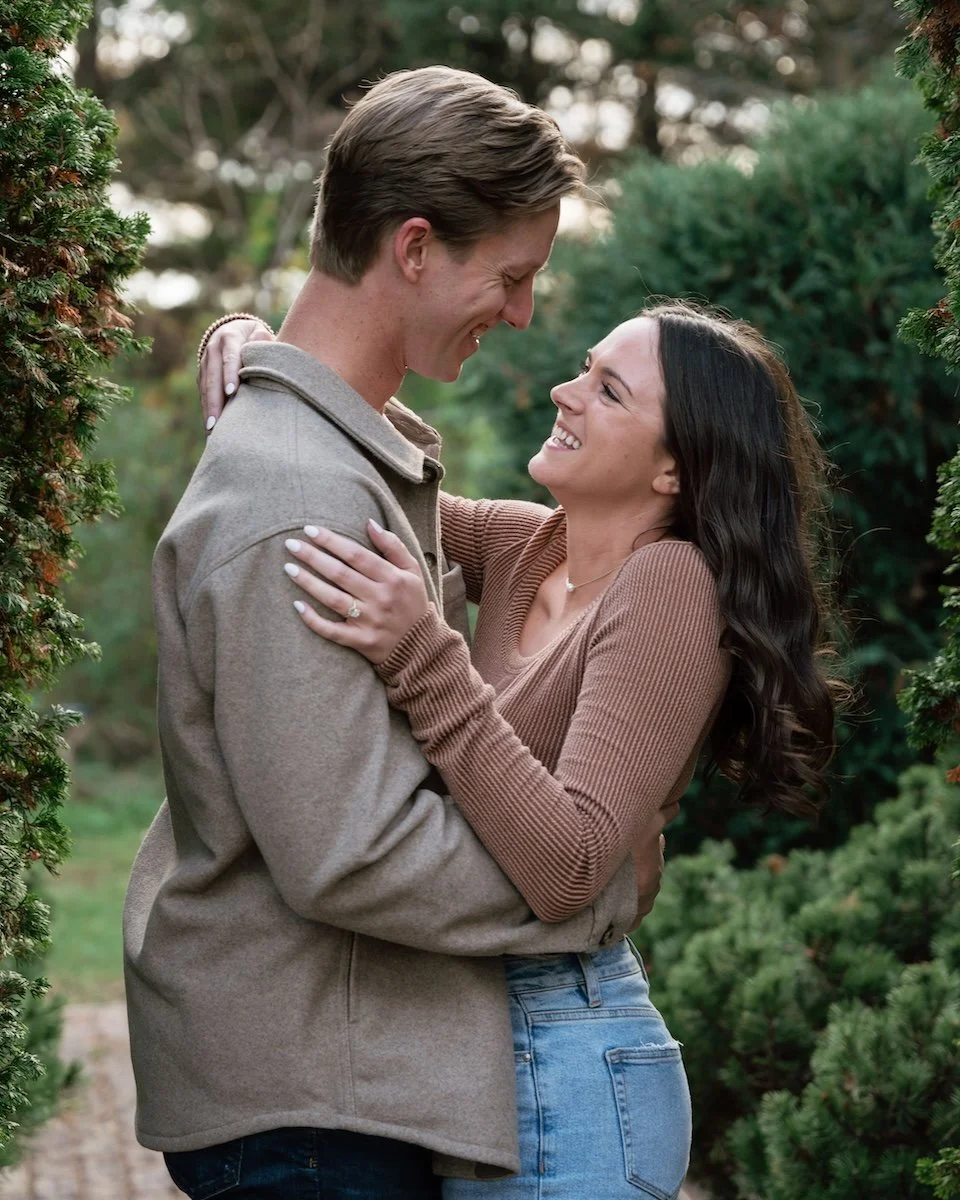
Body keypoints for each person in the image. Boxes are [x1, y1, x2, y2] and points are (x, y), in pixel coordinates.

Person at [124, 65, 662, 1200]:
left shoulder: (330, 460)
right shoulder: (297, 496)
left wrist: (251, 338)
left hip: (333, 1083)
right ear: (414, 248)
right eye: (511, 276)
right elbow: (352, 852)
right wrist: (587, 890)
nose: (521, 315)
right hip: (309, 1107)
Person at [201, 300, 845, 1198]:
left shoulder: (672, 585)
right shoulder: (527, 545)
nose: (563, 391)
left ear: (673, 469)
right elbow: (369, 474)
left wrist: (422, 654)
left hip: (569, 1049)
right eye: (585, 368)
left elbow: (572, 865)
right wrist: (264, 351)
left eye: (607, 390)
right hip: (471, 1050)